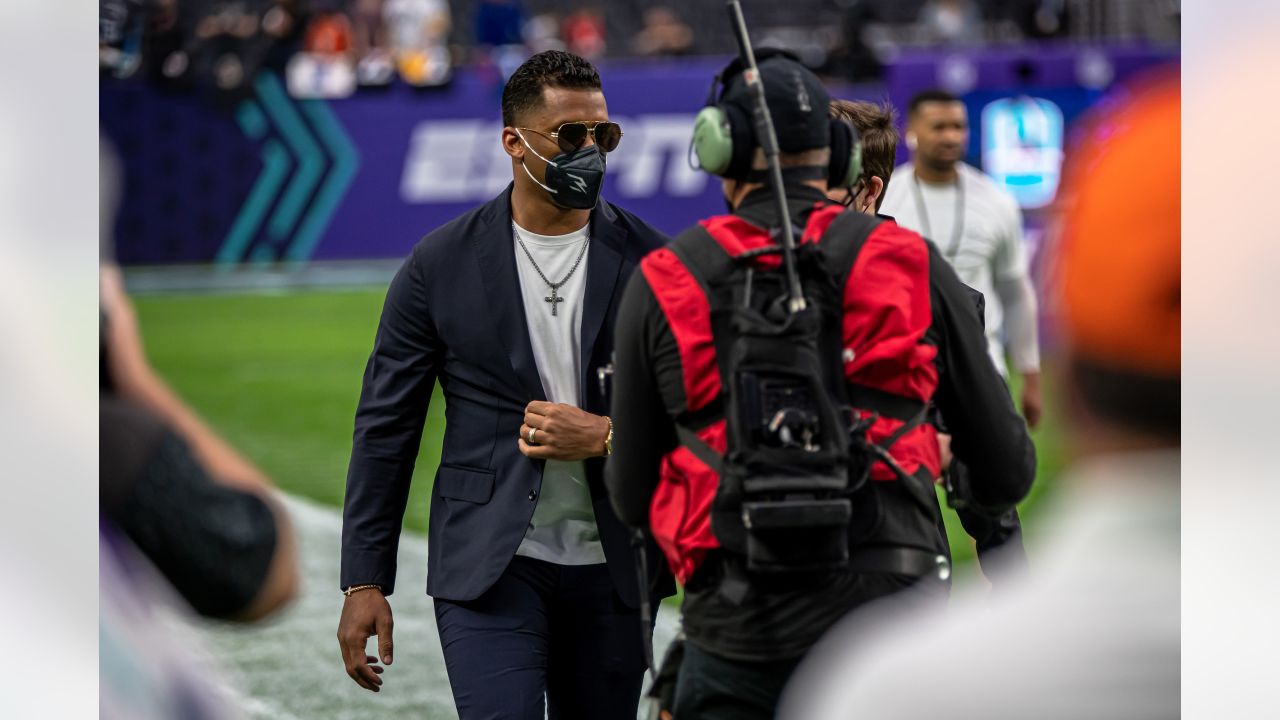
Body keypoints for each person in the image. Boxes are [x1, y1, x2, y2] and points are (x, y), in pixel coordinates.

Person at [605, 51, 1035, 719]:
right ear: (838, 156)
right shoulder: (916, 267)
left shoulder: (666, 275)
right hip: (896, 620)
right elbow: (1007, 472)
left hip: (738, 620)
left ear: (720, 149)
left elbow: (631, 496)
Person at [785, 72, 1180, 720]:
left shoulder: (729, 279)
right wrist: (1005, 564)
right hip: (888, 565)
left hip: (776, 585)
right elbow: (996, 463)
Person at [336, 50, 673, 719]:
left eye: (602, 136)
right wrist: (365, 578)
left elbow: (702, 416)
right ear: (513, 143)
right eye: (570, 137)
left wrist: (608, 435)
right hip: (488, 564)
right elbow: (387, 424)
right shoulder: (439, 263)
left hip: (616, 566)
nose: (591, 152)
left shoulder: (656, 263)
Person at [829, 97, 1029, 580]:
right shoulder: (748, 279)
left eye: (818, 177)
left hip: (894, 569)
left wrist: (1012, 589)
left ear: (868, 190)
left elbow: (982, 466)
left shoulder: (933, 296)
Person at [880, 89, 1043, 430]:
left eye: (958, 126)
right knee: (911, 478)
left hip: (984, 364)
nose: (951, 136)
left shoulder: (996, 200)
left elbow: (1014, 291)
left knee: (991, 481)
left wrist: (1030, 375)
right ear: (912, 131)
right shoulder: (886, 199)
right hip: (907, 367)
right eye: (939, 127)